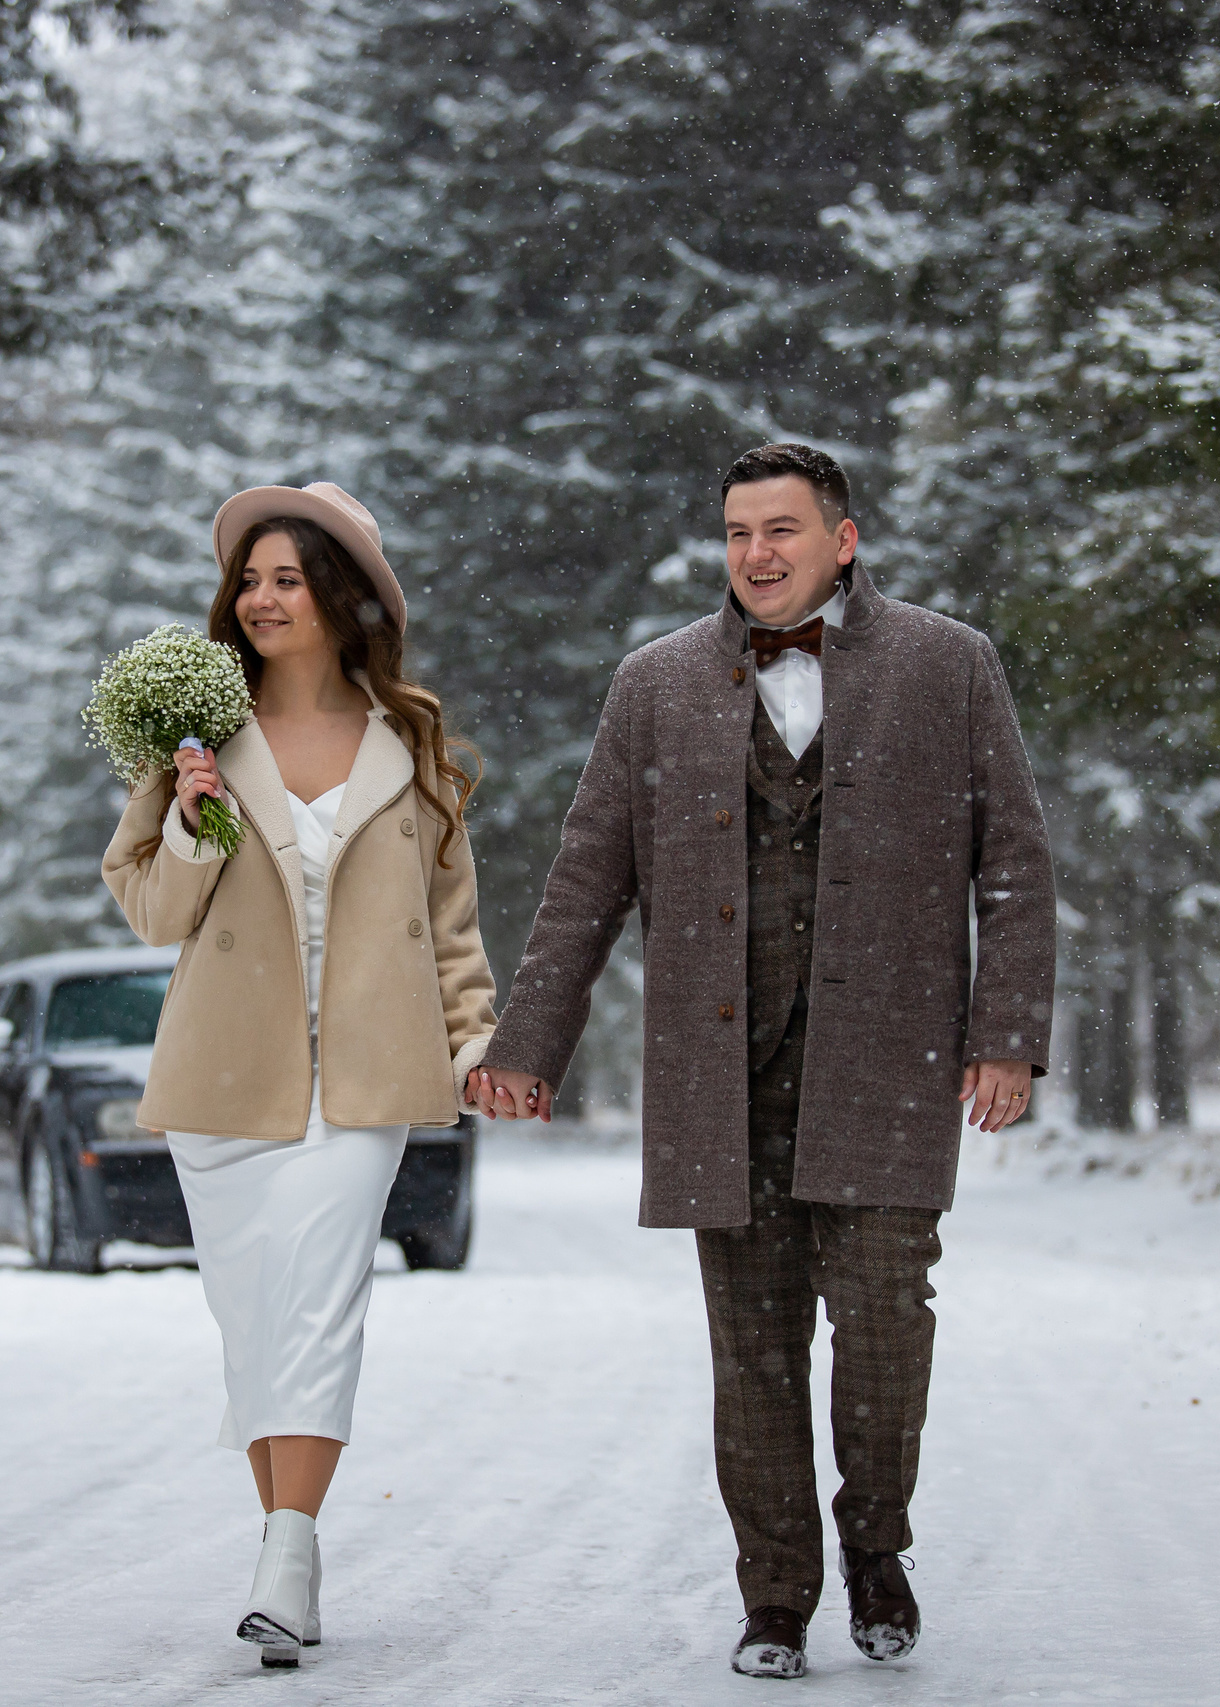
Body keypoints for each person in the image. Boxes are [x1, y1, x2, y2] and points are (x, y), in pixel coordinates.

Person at [469, 443, 1056, 1680]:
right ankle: (776, 1595)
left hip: (888, 1062)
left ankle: (877, 1542)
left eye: (782, 529)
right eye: (738, 532)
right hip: (715, 1074)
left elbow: (1011, 861)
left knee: (889, 1321)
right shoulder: (655, 684)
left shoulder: (948, 663)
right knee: (751, 1347)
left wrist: (1005, 1035)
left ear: (843, 539)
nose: (757, 554)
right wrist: (527, 1045)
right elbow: (587, 878)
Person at [101, 481, 497, 1669]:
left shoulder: (412, 746)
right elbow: (150, 910)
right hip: (226, 1077)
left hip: (367, 1078)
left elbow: (454, 927)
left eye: (287, 578)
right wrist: (187, 816)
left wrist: (477, 1048)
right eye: (250, 579)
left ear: (343, 598)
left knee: (324, 1303)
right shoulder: (197, 735)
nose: (262, 598)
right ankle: (289, 1549)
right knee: (257, 1326)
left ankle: (286, 1551)